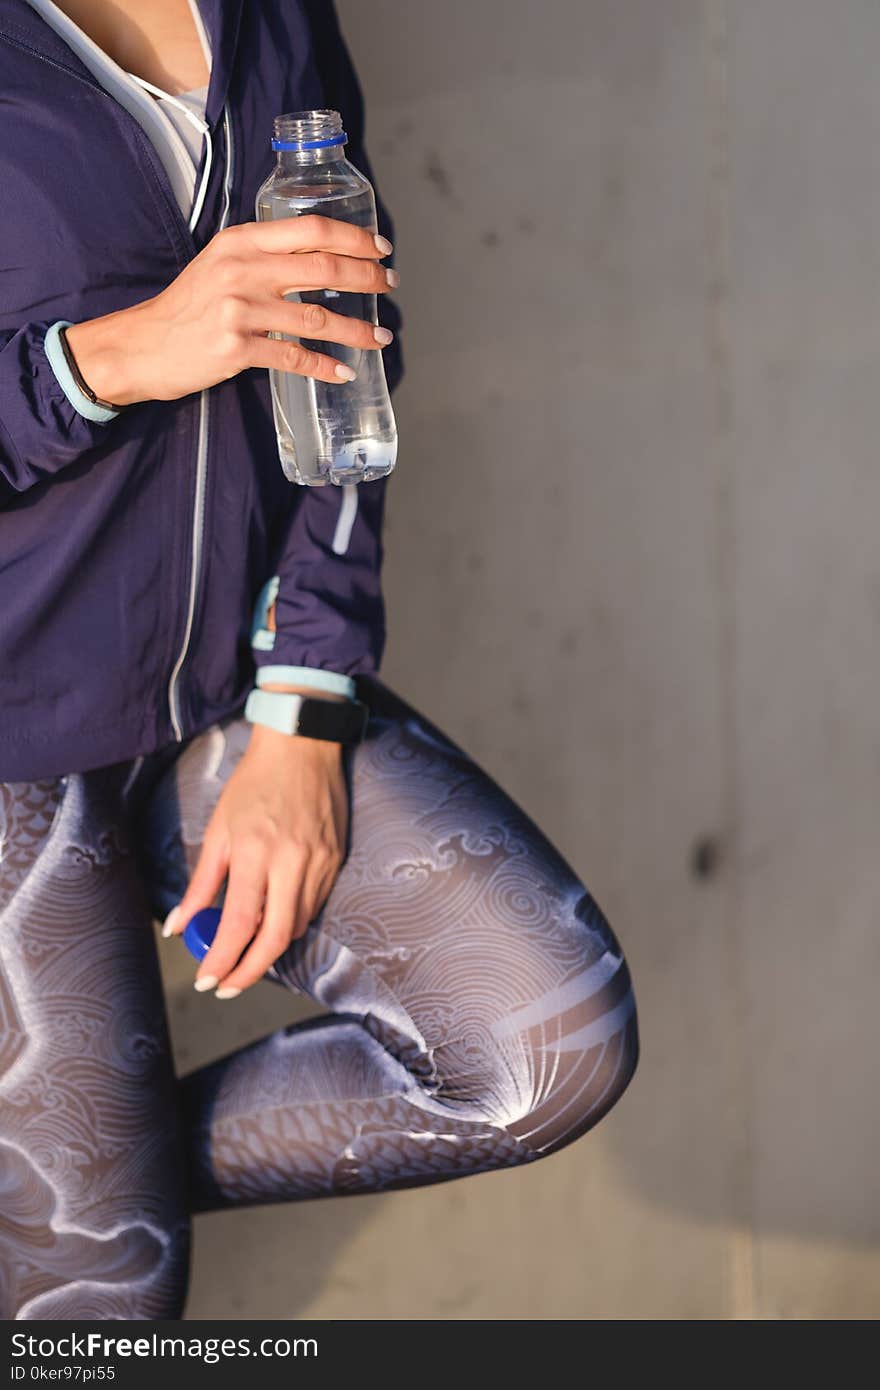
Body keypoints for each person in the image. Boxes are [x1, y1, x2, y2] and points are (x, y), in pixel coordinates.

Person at [0, 0, 639, 1319]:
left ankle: (72, 1190)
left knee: (539, 1046)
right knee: (104, 1296)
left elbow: (349, 345)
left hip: (227, 690)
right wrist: (113, 358)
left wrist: (305, 700)